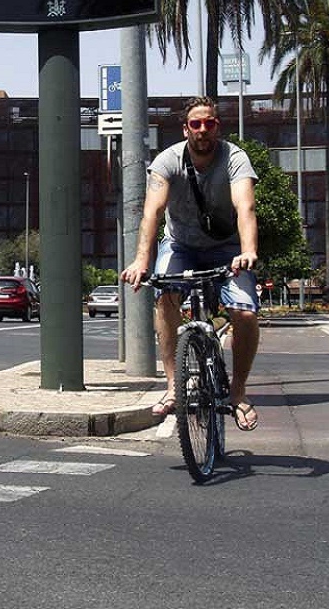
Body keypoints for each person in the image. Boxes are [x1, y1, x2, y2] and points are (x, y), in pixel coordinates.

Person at [121, 97, 262, 431]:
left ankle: (238, 392)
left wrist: (248, 250)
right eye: (195, 124)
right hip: (180, 245)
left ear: (217, 126)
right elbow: (152, 212)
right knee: (165, 295)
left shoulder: (235, 158)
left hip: (228, 248)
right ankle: (173, 386)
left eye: (209, 123)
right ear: (185, 129)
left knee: (244, 312)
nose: (202, 130)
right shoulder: (167, 160)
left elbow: (246, 208)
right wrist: (142, 259)